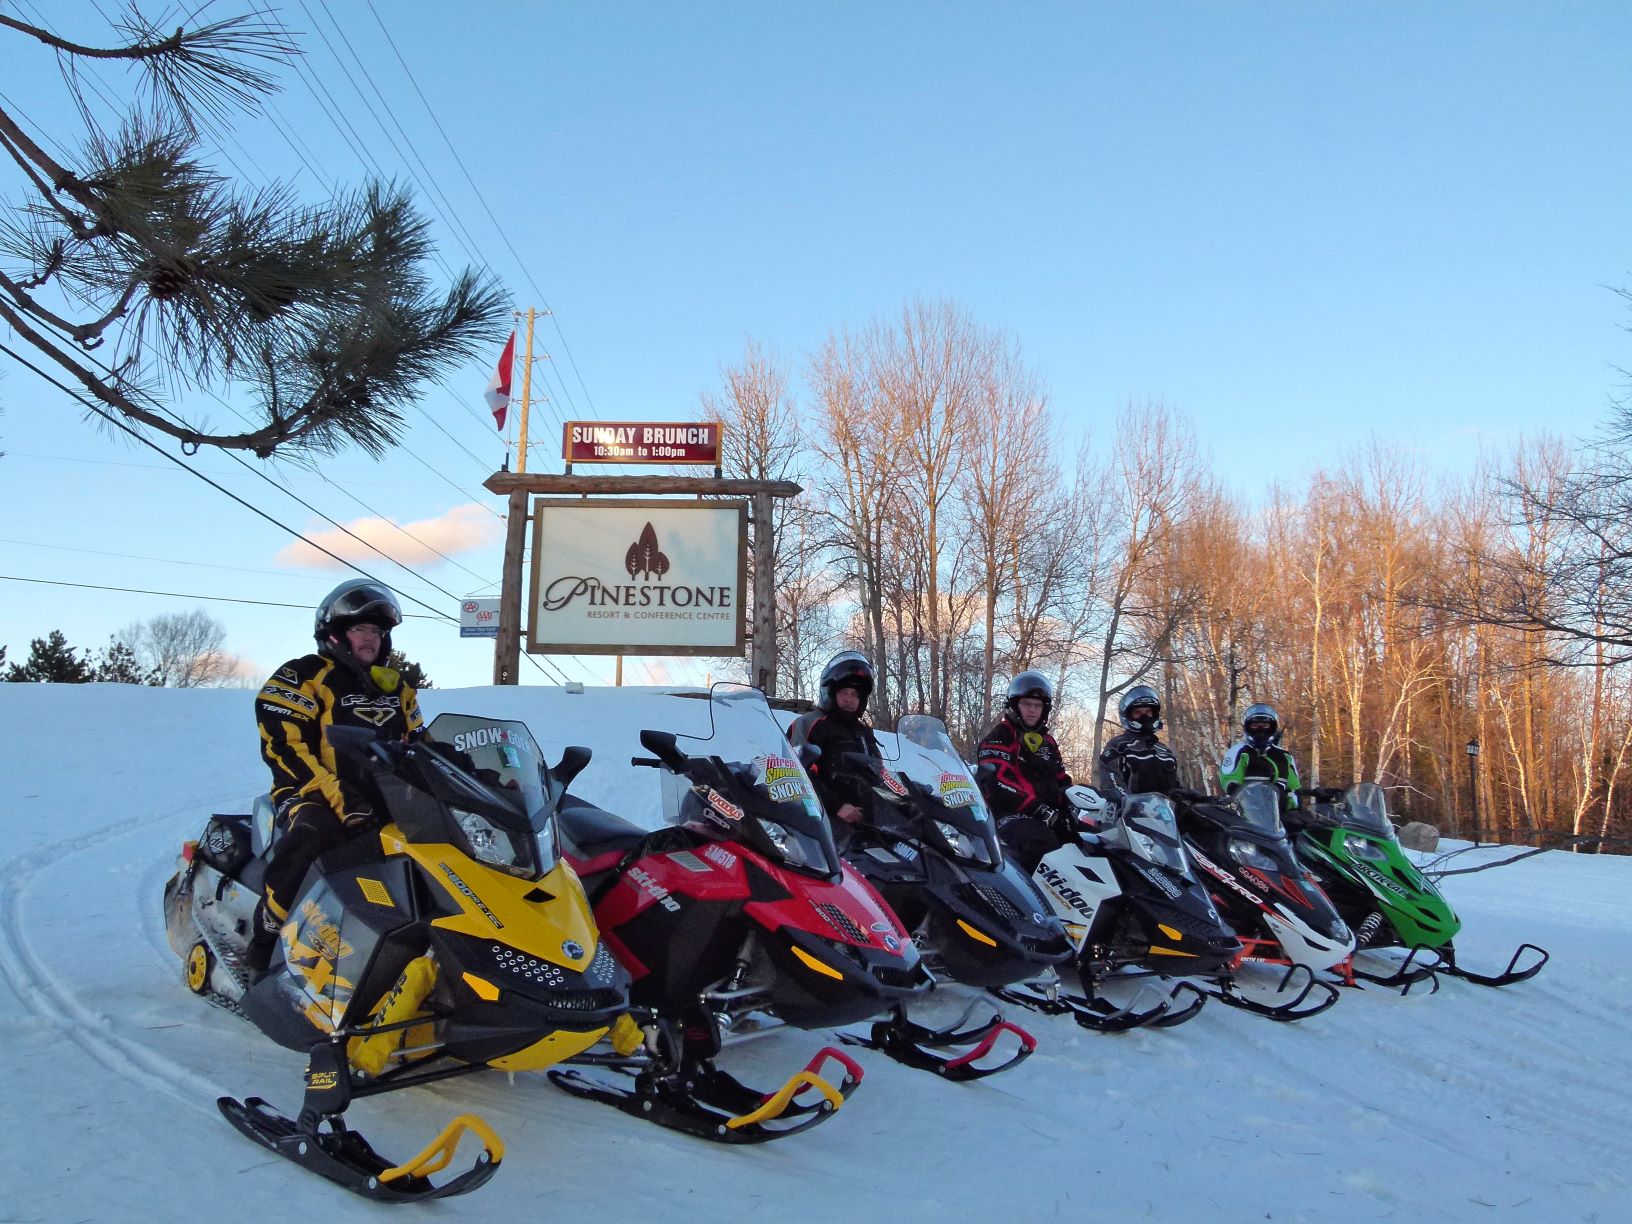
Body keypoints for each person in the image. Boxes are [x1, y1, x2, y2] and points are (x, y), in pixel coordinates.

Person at [246, 579, 424, 973]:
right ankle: (264, 940)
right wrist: (343, 798)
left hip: (384, 796)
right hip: (309, 791)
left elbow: (422, 748)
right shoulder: (301, 675)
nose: (371, 638)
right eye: (361, 628)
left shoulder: (397, 689)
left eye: (377, 631)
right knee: (314, 832)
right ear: (335, 632)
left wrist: (486, 779)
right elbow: (286, 747)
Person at [977, 670, 1075, 873]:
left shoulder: (1048, 743)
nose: (1032, 710)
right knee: (1043, 842)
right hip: (1005, 815)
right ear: (1014, 705)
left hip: (1046, 814)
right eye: (1027, 704)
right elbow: (997, 783)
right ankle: (1037, 902)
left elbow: (1061, 780)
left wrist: (1072, 806)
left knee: (1085, 838)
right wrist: (1040, 810)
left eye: (1037, 705)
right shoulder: (999, 737)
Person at [787, 651, 884, 845]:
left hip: (867, 821)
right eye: (843, 692)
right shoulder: (810, 723)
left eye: (855, 694)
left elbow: (880, 774)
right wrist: (837, 806)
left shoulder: (864, 732)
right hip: (822, 820)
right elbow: (793, 774)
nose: (849, 699)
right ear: (830, 692)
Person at [1097, 685, 1182, 807]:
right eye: (1138, 713)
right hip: (1133, 816)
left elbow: (1177, 787)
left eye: (1148, 712)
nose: (1145, 716)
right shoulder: (1118, 746)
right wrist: (1133, 804)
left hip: (1169, 816)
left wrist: (1194, 800)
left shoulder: (1164, 750)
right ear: (1129, 715)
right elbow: (1111, 783)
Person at [1219, 702, 1303, 809]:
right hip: (1249, 813)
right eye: (1254, 725)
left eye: (1265, 725)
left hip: (1281, 814)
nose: (1260, 729)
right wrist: (1245, 797)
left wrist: (1291, 801)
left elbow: (1295, 787)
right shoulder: (1239, 751)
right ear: (1247, 727)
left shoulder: (1284, 756)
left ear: (1273, 727)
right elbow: (1230, 779)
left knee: (1310, 823)